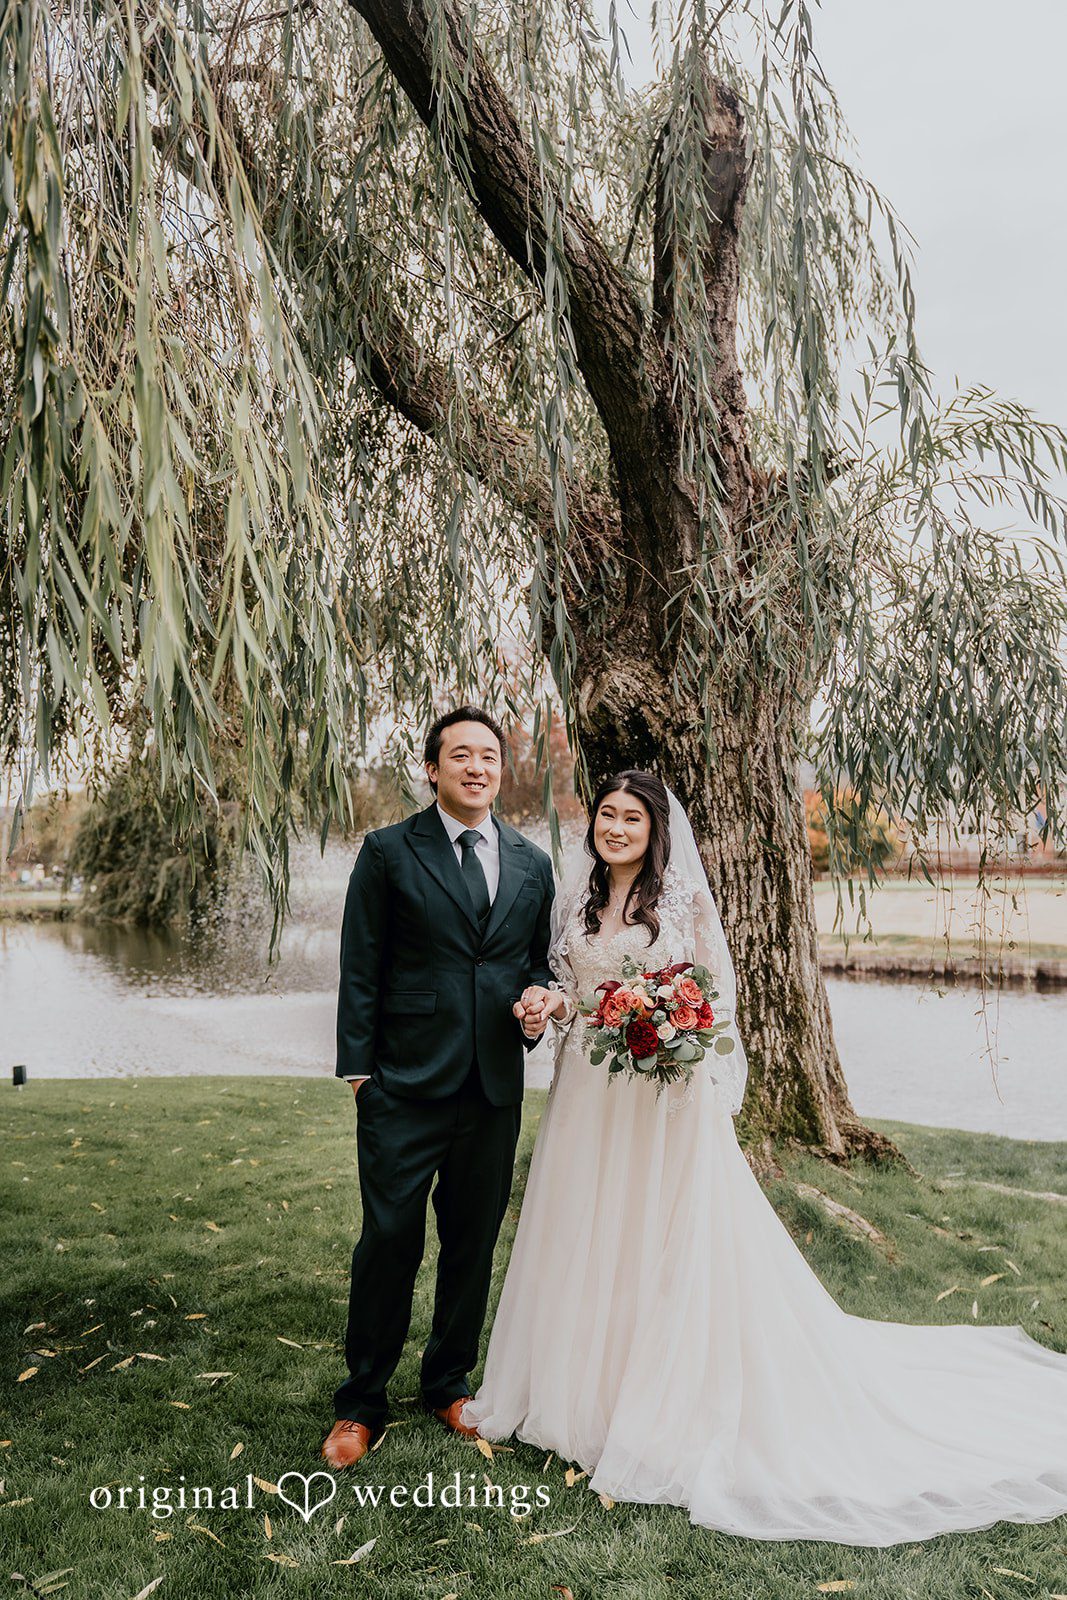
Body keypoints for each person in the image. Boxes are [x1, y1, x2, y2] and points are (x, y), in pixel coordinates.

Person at [460, 768, 1067, 1547]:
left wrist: (677, 1043)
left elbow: (713, 995)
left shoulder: (676, 900)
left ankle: (655, 1399)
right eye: (606, 814)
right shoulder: (574, 897)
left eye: (630, 819)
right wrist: (546, 1001)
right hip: (587, 1092)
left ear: (653, 832)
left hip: (659, 1095)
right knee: (585, 1228)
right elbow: (569, 984)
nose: (614, 827)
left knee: (657, 1235)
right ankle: (574, 1391)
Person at [321, 707, 559, 1467]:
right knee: (389, 1241)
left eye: (489, 755)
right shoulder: (390, 852)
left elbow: (535, 966)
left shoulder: (531, 862)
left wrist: (535, 1010)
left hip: (491, 1086)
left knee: (471, 1244)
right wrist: (360, 1073)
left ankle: (446, 1383)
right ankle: (360, 1403)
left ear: (501, 769)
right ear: (432, 769)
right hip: (401, 1084)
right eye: (460, 755)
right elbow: (361, 963)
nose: (476, 767)